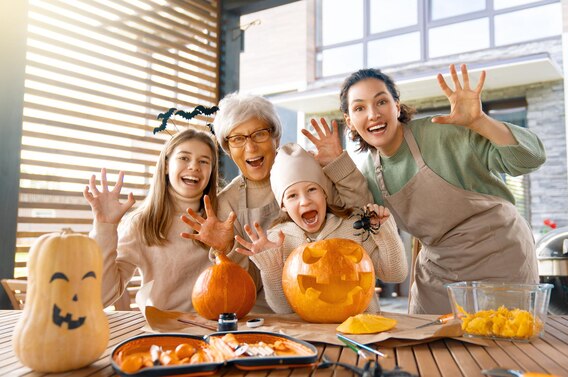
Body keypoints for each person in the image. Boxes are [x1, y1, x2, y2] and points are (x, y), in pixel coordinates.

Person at [307, 64, 546, 314]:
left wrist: (480, 122)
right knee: (427, 344)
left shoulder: (443, 133)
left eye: (381, 102)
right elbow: (361, 219)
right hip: (439, 271)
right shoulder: (368, 173)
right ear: (350, 122)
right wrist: (336, 163)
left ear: (396, 107)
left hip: (500, 255)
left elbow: (530, 159)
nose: (373, 114)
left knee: (500, 344)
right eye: (359, 108)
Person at [179, 93, 372, 312]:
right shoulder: (227, 203)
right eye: (238, 139)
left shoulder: (308, 171)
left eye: (259, 134)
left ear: (275, 137)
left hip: (335, 302)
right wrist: (228, 248)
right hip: (268, 318)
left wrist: (339, 163)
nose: (250, 148)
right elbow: (240, 287)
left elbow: (362, 217)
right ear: (228, 149)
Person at [234, 143, 408, 314]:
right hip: (313, 338)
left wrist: (384, 229)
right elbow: (283, 309)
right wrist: (271, 265)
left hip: (360, 332)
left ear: (324, 193)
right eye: (292, 195)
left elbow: (395, 274)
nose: (305, 201)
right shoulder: (278, 240)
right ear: (283, 205)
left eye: (311, 189)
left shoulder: (351, 227)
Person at [83, 128, 220, 311]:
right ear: (165, 166)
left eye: (204, 161)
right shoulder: (142, 223)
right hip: (163, 333)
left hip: (216, 331)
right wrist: (105, 227)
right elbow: (101, 297)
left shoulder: (223, 217)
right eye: (184, 158)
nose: (194, 166)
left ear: (211, 172)